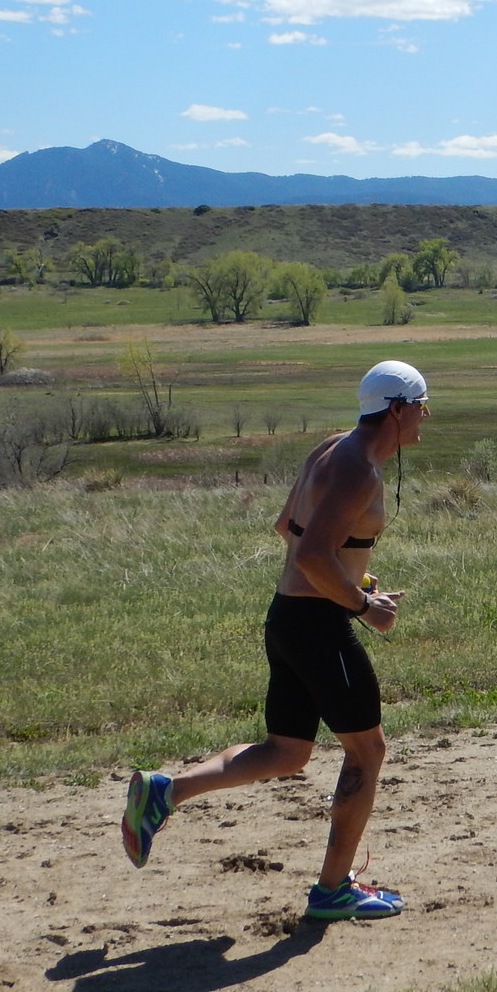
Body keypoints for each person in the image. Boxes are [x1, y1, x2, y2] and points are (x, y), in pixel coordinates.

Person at [121, 359, 429, 921]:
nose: (425, 417)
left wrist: (352, 578)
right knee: (369, 751)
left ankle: (166, 791)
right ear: (397, 409)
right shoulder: (360, 469)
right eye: (422, 405)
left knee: (287, 752)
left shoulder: (330, 449)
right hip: (318, 628)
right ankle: (333, 891)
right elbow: (313, 553)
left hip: (287, 618)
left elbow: (288, 528)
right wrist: (362, 605)